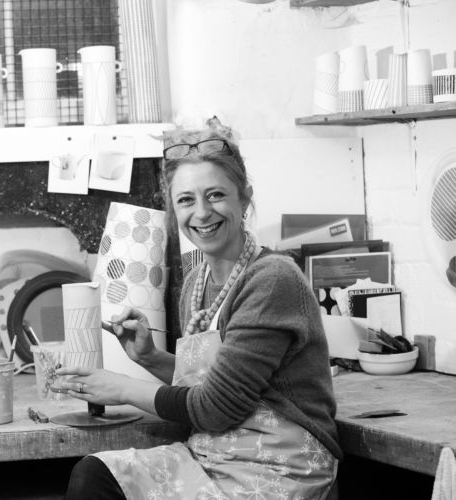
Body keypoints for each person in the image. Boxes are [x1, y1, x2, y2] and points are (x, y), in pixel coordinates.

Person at [57, 129, 343, 500]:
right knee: (95, 474)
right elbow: (212, 384)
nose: (202, 212)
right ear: (174, 210)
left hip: (279, 468)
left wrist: (122, 388)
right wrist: (149, 357)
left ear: (245, 198)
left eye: (216, 195)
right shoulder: (197, 282)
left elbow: (217, 407)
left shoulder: (272, 279)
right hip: (211, 458)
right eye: (186, 200)